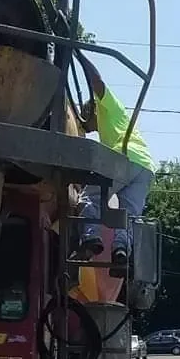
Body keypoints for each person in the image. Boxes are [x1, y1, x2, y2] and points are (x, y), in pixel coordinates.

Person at [74, 57, 155, 301]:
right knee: (128, 215)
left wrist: (80, 54)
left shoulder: (106, 105)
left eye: (85, 121)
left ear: (92, 111)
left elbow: (96, 81)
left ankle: (90, 237)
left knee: (89, 197)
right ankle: (121, 252)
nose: (87, 127)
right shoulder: (116, 124)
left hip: (124, 157)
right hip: (146, 166)